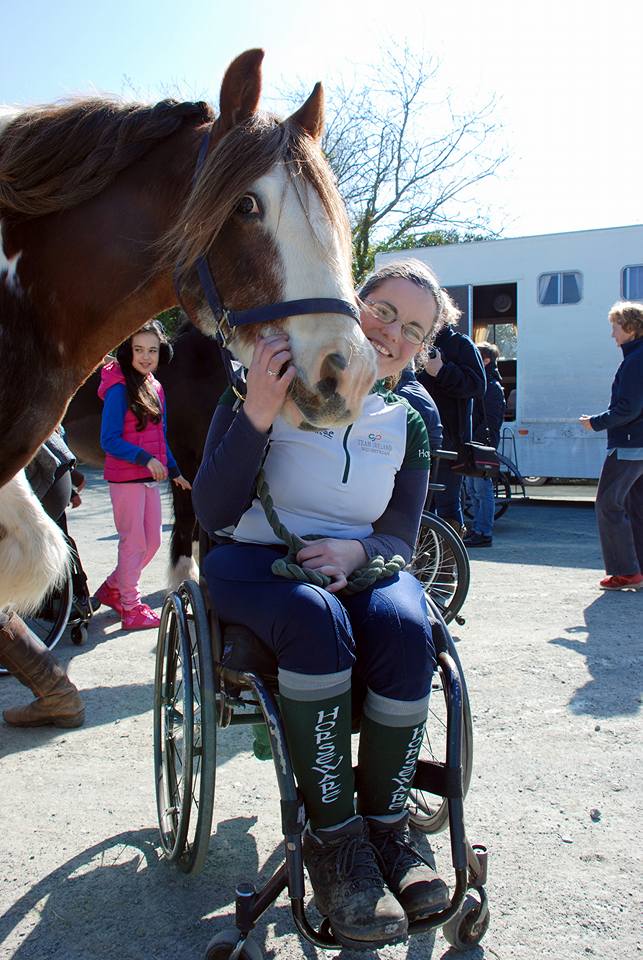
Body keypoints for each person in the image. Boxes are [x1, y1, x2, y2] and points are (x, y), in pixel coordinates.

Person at [192, 260, 455, 950]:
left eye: (414, 329)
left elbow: (400, 529)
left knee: (406, 626)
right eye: (383, 311)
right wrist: (255, 412)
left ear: (424, 348)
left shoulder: (410, 417)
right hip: (253, 559)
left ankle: (388, 832)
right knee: (312, 618)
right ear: (352, 304)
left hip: (359, 563)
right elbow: (213, 511)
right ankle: (336, 846)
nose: (393, 334)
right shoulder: (263, 378)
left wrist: (358, 554)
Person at [93, 320, 191, 630]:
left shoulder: (156, 386)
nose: (146, 356)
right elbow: (109, 440)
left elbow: (160, 438)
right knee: (133, 543)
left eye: (152, 350)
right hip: (125, 480)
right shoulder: (118, 389)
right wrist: (145, 459)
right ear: (127, 352)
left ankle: (114, 588)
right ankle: (131, 609)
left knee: (151, 544)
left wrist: (175, 471)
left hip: (149, 480)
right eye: (139, 350)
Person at [579, 301, 643, 591]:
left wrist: (596, 422)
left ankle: (625, 572)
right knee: (635, 505)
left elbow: (628, 408)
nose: (612, 334)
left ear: (630, 328)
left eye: (615, 328)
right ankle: (637, 568)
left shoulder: (634, 361)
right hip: (639, 446)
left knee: (608, 503)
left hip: (629, 445)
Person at [416, 283, 486, 534]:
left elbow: (477, 387)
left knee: (447, 506)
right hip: (417, 439)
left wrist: (442, 371)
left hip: (450, 444)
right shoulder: (416, 344)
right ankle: (424, 562)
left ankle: (446, 570)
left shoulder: (461, 344)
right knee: (419, 505)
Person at [463, 342, 506, 548]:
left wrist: (475, 442)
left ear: (486, 360)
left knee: (481, 490)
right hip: (476, 445)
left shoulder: (492, 387)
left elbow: (490, 421)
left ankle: (484, 532)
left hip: (481, 447)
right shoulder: (487, 384)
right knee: (473, 490)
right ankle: (479, 529)